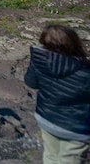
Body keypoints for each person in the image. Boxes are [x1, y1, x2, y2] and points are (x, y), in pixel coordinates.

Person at [24, 24, 90, 163]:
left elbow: (31, 83)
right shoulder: (84, 71)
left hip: (46, 118)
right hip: (75, 127)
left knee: (50, 155)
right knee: (70, 159)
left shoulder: (39, 61)